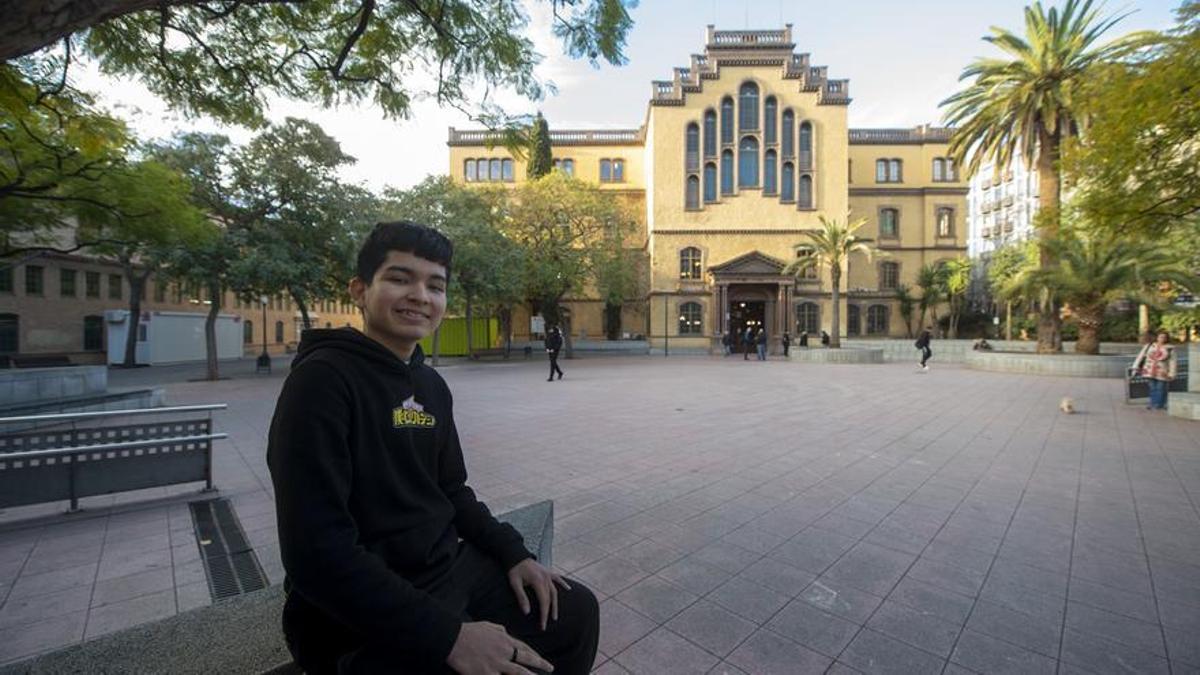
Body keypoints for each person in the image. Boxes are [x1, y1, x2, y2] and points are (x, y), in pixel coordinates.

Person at [267, 222, 599, 675]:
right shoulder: (322, 381)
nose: (420, 295)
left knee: (572, 612)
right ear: (360, 291)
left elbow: (452, 490)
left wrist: (514, 553)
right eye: (400, 279)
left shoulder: (430, 385)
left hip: (444, 570)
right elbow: (315, 553)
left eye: (435, 285)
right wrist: (448, 635)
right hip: (350, 611)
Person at [1133, 331, 1178, 411]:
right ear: (1157, 337)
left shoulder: (1170, 348)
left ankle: (1159, 404)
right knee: (1152, 387)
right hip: (1149, 370)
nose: (1162, 339)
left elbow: (1173, 362)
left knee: (1161, 388)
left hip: (1163, 372)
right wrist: (1135, 366)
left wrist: (1172, 373)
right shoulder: (1149, 346)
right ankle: (1152, 403)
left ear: (1167, 338)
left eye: (1164, 337)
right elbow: (1140, 356)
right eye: (1160, 337)